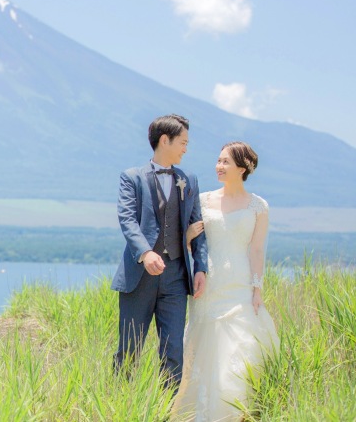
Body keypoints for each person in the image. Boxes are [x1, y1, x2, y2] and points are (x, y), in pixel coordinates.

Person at [172, 141, 280, 421]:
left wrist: (257, 288)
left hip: (240, 285)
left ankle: (234, 411)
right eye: (218, 161)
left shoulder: (259, 206)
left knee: (240, 349)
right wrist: (188, 237)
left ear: (243, 168)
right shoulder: (203, 199)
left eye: (225, 162)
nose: (218, 166)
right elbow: (186, 241)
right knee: (205, 343)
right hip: (208, 282)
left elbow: (256, 250)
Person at [111, 114, 208, 390]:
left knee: (173, 352)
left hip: (176, 278)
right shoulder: (132, 178)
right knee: (128, 351)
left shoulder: (188, 179)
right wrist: (145, 252)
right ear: (165, 140)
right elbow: (127, 220)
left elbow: (197, 226)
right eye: (183, 142)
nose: (186, 149)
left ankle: (167, 412)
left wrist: (200, 267)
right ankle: (121, 408)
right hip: (139, 278)